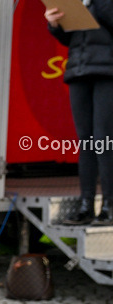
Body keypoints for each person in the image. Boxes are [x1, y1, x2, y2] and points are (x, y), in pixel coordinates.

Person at [46, 3, 113, 225]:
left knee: (104, 139)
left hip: (107, 71)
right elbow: (70, 39)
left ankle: (109, 206)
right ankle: (86, 205)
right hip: (78, 70)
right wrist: (55, 24)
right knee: (86, 141)